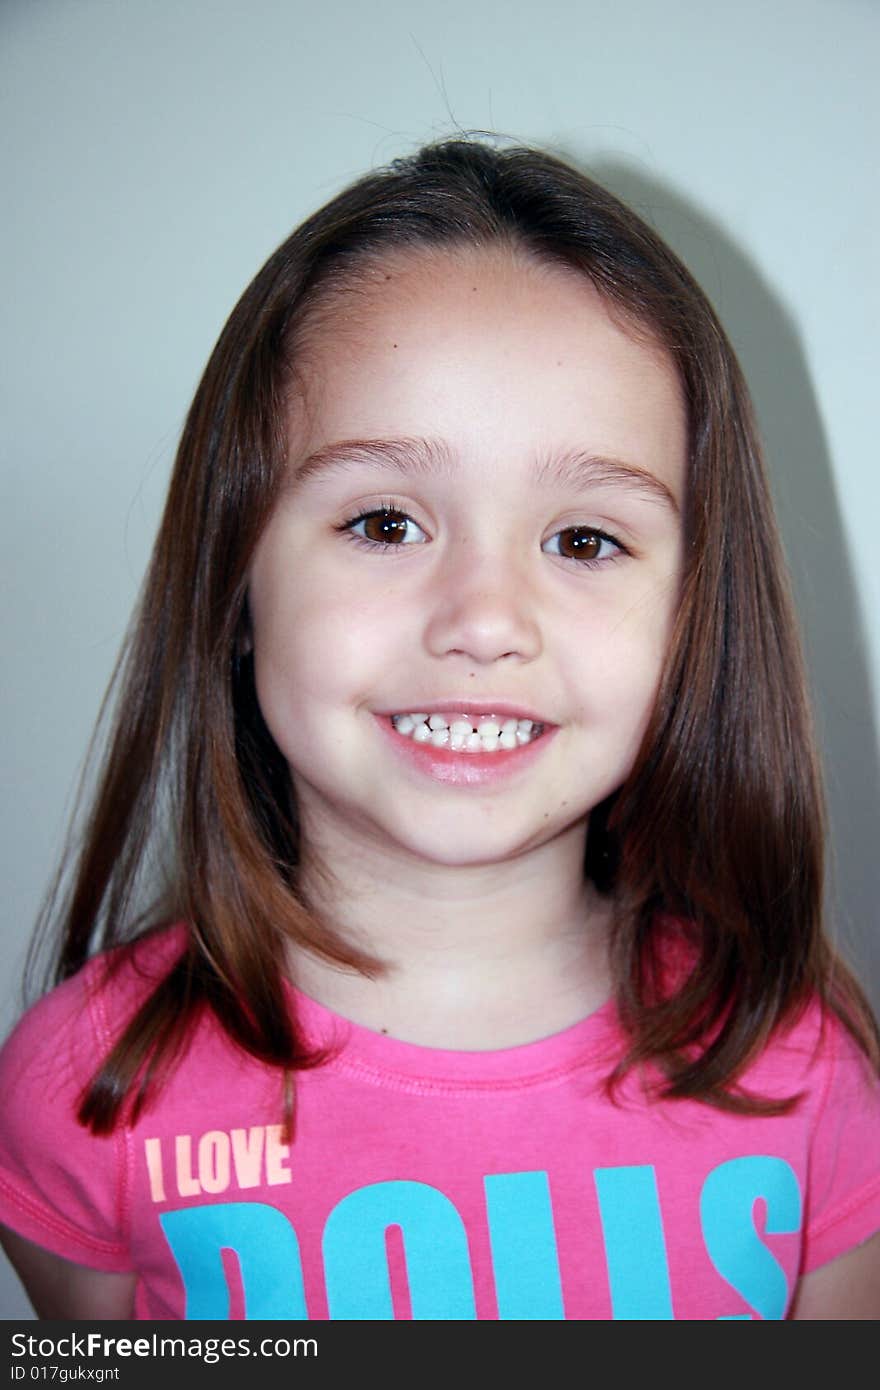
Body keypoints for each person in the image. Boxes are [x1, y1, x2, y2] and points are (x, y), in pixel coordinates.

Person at [1, 138, 878, 1322]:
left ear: (690, 621)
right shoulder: (85, 1093)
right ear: (236, 579)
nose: (481, 621)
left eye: (583, 540)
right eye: (382, 521)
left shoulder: (802, 1070)